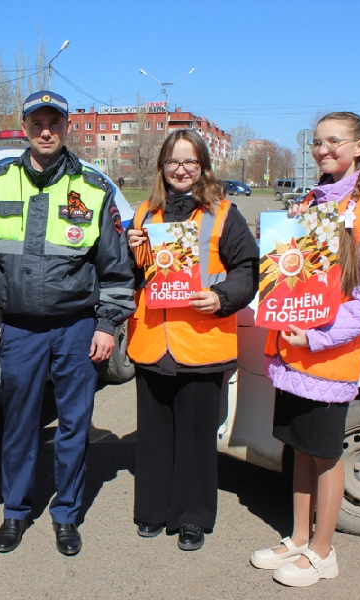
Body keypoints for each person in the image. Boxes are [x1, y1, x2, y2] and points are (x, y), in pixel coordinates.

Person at [0, 90, 135, 556]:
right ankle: (15, 513)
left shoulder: (92, 187)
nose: (46, 131)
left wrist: (107, 325)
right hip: (20, 328)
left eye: (55, 123)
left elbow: (116, 269)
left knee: (73, 425)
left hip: (77, 327)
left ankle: (66, 514)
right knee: (20, 425)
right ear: (24, 127)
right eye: (37, 122)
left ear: (66, 127)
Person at [250, 112, 360, 587]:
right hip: (291, 352)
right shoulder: (309, 202)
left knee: (325, 454)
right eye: (316, 142)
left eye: (334, 141)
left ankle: (322, 551)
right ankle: (297, 537)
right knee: (299, 449)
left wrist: (317, 336)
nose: (322, 149)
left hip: (329, 355)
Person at [126, 129, 258, 551]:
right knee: (154, 434)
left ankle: (192, 517)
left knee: (198, 438)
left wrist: (220, 297)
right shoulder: (143, 214)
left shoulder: (223, 214)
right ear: (161, 167)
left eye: (190, 163)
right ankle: (152, 510)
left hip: (203, 343)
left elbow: (247, 271)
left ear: (203, 167)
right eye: (173, 162)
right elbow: (131, 278)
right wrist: (130, 252)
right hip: (151, 342)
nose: (181, 170)